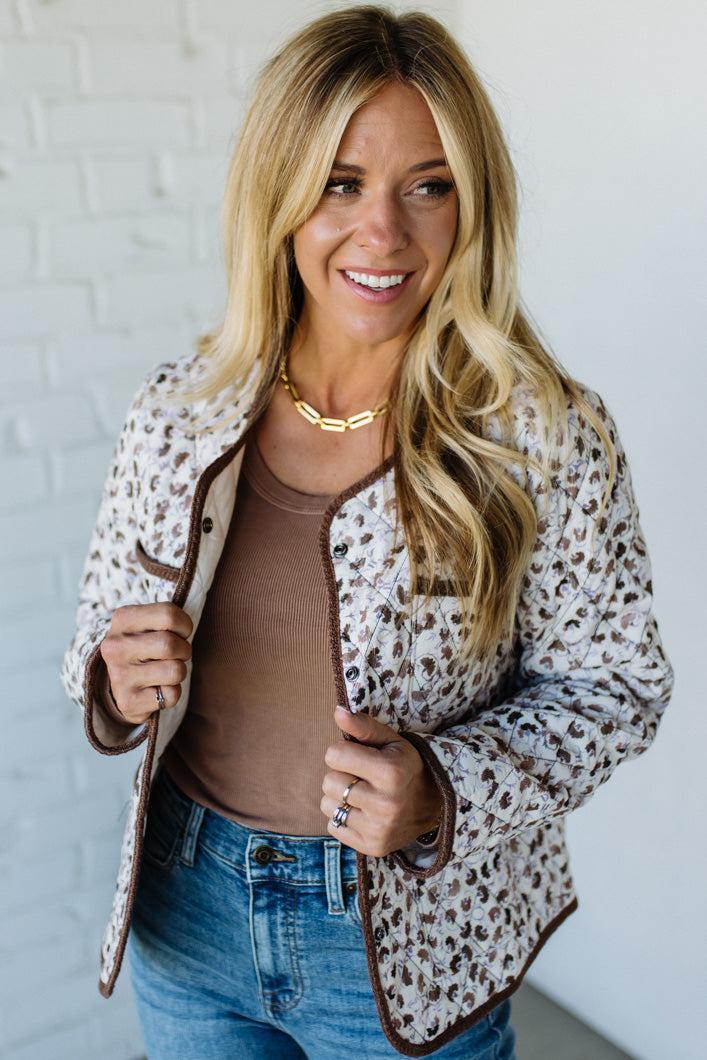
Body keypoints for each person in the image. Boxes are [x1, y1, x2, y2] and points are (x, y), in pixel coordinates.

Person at [59, 5, 675, 1058]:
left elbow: (617, 685)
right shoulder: (178, 410)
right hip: (188, 908)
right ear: (279, 196)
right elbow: (98, 635)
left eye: (426, 186)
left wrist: (440, 790)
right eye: (340, 183)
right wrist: (113, 680)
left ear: (471, 203)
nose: (381, 233)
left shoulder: (542, 437)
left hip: (408, 943)